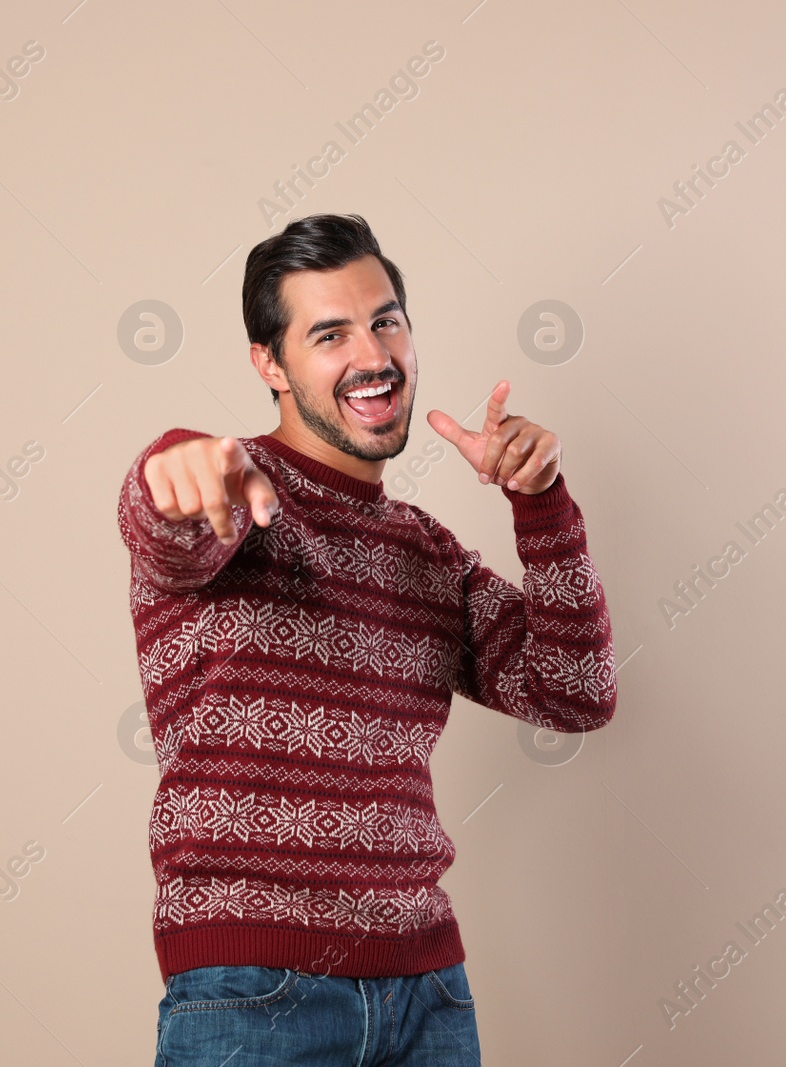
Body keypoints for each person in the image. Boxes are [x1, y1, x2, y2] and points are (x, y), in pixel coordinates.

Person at [117, 213, 619, 1065]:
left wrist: (541, 502)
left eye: (386, 320)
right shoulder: (232, 496)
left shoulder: (425, 549)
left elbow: (574, 692)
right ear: (269, 363)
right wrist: (178, 461)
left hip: (427, 993)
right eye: (329, 333)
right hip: (254, 992)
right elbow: (167, 512)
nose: (372, 355)